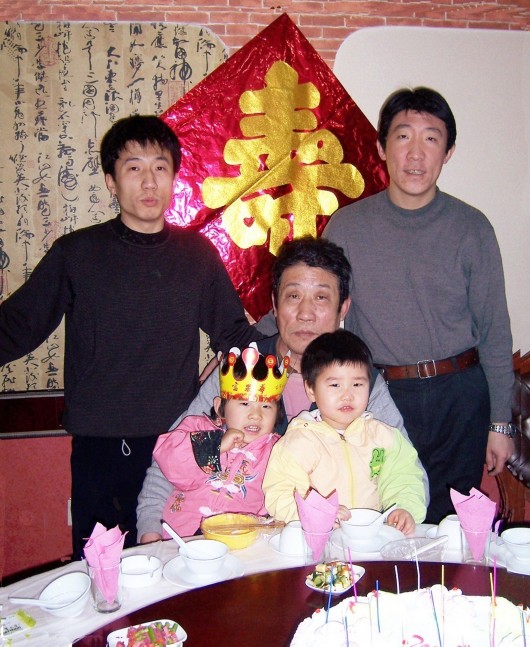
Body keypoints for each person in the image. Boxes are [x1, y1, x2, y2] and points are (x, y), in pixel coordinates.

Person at [0, 115, 260, 558]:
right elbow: (20, 325)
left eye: (160, 167)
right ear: (111, 181)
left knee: (181, 566)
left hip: (178, 443)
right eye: (133, 168)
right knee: (101, 568)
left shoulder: (196, 255)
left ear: (174, 178)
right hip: (99, 444)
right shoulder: (77, 253)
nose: (149, 181)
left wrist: (287, 355)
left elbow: (233, 335)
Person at [137, 236, 428, 542]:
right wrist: (151, 532)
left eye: (321, 298)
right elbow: (169, 459)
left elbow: (407, 470)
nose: (305, 313)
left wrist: (397, 513)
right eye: (293, 296)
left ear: (343, 308)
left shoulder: (359, 383)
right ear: (275, 306)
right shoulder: (242, 369)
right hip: (226, 543)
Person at [324, 87, 514, 524]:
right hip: (380, 397)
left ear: (448, 152)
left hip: (459, 398)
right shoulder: (348, 227)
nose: (415, 153)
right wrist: (254, 339)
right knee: (381, 518)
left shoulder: (472, 228)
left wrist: (500, 423)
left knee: (450, 526)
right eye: (403, 136)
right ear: (381, 147)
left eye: (431, 138)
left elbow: (495, 331)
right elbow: (315, 303)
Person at [263, 330, 426, 534]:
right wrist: (317, 514)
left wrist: (403, 508)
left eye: (357, 384)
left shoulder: (383, 437)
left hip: (371, 538)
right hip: (316, 539)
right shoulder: (298, 442)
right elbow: (280, 492)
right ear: (311, 389)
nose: (347, 395)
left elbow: (403, 477)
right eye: (335, 385)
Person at [154, 344, 288, 536]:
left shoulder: (278, 451)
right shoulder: (197, 427)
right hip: (180, 537)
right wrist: (215, 445)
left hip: (239, 541)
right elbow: (168, 460)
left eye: (266, 407)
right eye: (244, 403)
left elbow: (284, 494)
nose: (256, 415)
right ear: (219, 407)